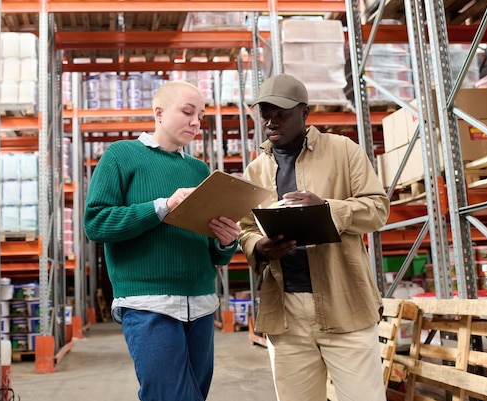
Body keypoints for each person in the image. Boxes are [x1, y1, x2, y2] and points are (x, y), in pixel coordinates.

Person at [83, 80, 241, 401]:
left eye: (200, 115)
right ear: (158, 112)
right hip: (148, 304)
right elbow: (96, 223)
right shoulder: (121, 156)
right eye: (187, 112)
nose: (196, 122)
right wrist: (163, 206)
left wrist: (226, 242)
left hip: (200, 303)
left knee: (194, 395)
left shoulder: (199, 170)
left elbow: (215, 254)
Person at [238, 74, 390, 401]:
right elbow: (246, 230)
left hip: (344, 302)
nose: (271, 121)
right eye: (265, 113)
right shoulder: (255, 171)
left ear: (305, 114)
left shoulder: (343, 150)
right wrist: (260, 247)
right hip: (286, 311)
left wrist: (326, 208)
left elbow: (377, 208)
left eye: (282, 114)